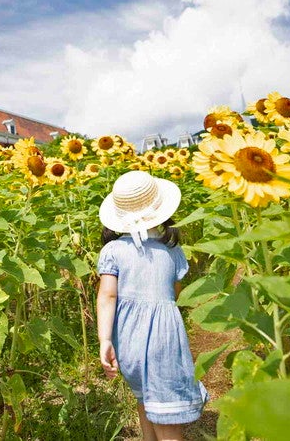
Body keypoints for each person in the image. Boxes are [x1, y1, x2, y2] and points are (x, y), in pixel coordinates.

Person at [96, 170, 208, 441]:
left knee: (145, 397)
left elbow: (107, 296)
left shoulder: (112, 250)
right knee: (166, 411)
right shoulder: (172, 251)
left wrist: (104, 340)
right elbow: (176, 294)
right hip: (163, 339)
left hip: (127, 340)